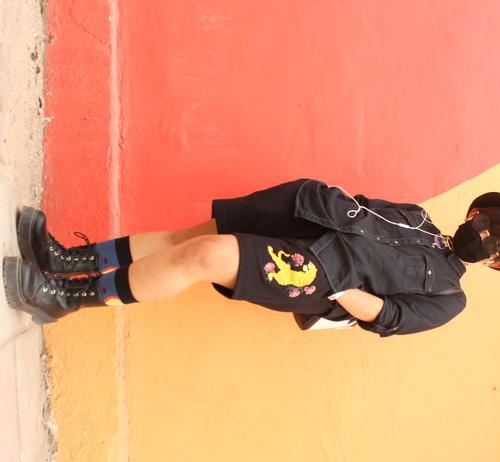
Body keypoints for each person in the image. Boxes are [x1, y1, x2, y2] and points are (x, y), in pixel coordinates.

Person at [3, 179, 499, 336]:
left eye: (497, 243)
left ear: (495, 264)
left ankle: (64, 298)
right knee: (185, 240)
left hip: (317, 273)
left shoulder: (448, 297)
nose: (487, 235)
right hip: (304, 211)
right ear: (477, 211)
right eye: (491, 223)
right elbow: (364, 207)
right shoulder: (418, 217)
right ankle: (69, 262)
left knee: (205, 256)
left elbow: (389, 317)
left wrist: (340, 293)